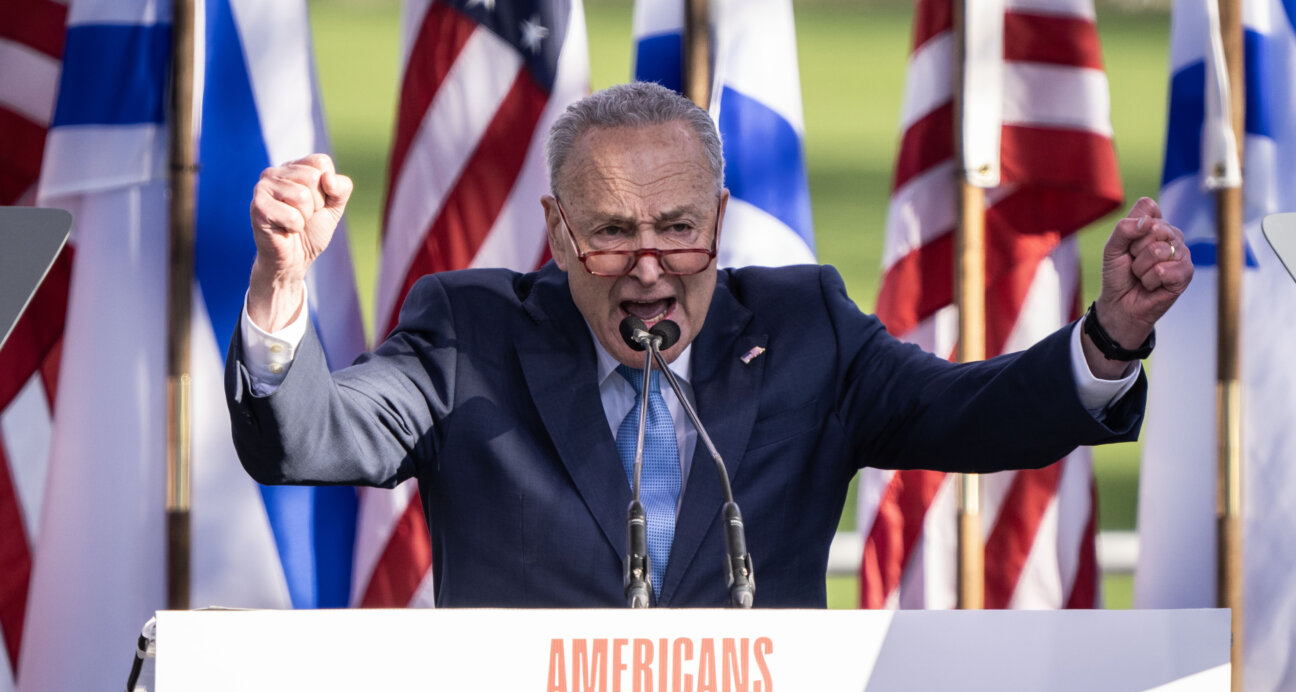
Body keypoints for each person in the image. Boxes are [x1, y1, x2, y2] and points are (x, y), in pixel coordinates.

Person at [226, 82, 1191, 608]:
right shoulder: (466, 331)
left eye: (678, 230)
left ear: (721, 221)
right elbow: (306, 438)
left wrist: (1109, 337)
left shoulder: (804, 327)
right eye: (610, 234)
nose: (649, 267)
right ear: (558, 232)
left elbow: (972, 417)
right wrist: (282, 283)